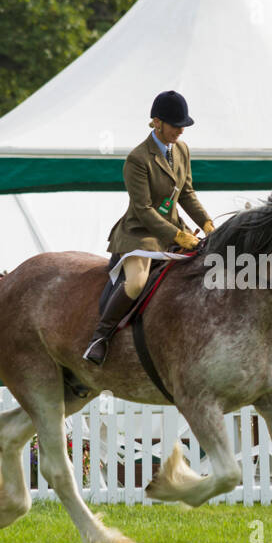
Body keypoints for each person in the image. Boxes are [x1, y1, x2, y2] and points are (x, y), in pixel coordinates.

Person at [83, 90, 214, 364]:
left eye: (183, 126)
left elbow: (186, 193)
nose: (180, 130)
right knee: (137, 282)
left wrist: (206, 222)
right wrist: (177, 235)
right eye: (175, 125)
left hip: (174, 228)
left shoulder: (182, 150)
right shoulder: (137, 159)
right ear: (156, 122)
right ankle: (100, 337)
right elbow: (143, 210)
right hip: (140, 234)